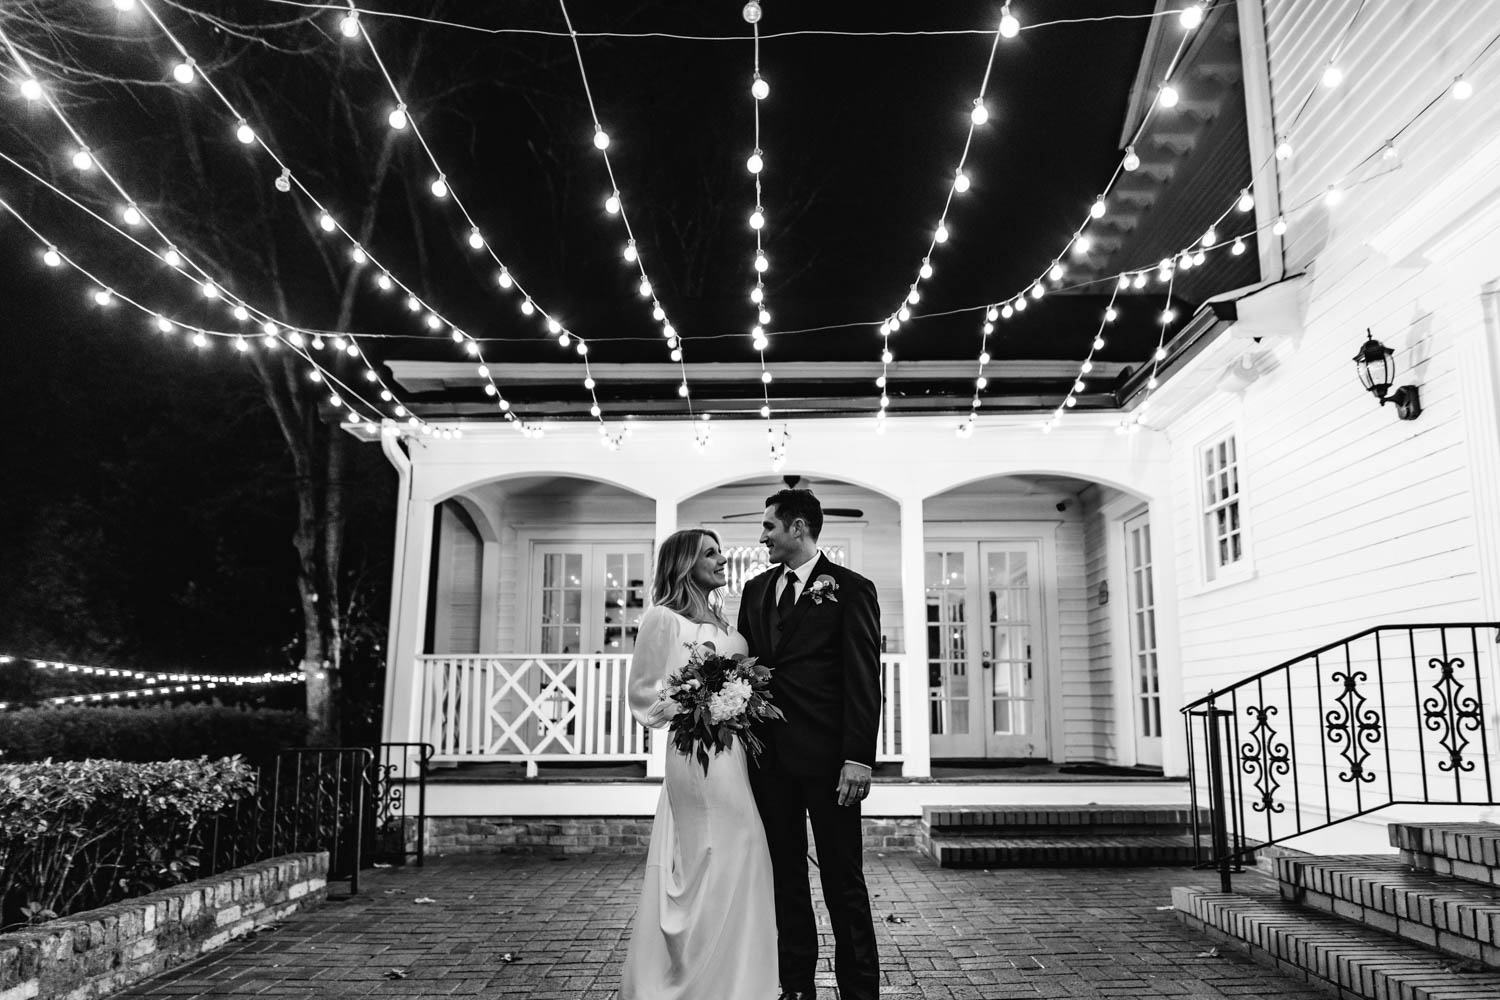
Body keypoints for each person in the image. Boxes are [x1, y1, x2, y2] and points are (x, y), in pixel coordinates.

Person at [619, 528, 780, 1000]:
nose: (722, 559)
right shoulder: (663, 619)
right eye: (710, 553)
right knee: (707, 854)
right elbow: (644, 696)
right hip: (696, 752)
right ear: (685, 563)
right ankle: (688, 981)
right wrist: (697, 699)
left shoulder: (727, 623)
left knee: (742, 848)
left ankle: (737, 981)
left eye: (720, 552)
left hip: (734, 753)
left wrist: (739, 703)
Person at [738, 489, 882, 1000]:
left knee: (844, 881)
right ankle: (796, 985)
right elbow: (747, 672)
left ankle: (860, 990)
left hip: (831, 763)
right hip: (770, 762)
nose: (762, 538)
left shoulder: (851, 589)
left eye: (769, 528)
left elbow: (864, 678)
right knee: (785, 880)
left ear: (798, 528)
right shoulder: (754, 591)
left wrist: (858, 756)